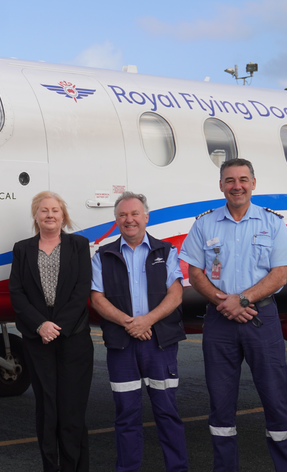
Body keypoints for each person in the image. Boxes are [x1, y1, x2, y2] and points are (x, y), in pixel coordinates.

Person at [180, 158, 287, 472]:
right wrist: (226, 302)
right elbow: (195, 273)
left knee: (276, 400)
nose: (237, 186)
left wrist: (243, 300)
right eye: (230, 180)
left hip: (262, 320)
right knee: (220, 405)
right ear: (221, 185)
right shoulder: (204, 223)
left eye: (243, 179)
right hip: (220, 321)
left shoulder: (272, 223)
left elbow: (279, 276)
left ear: (253, 183)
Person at [90, 191, 188, 472]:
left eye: (134, 214)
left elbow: (176, 293)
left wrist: (148, 321)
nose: (128, 220)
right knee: (126, 415)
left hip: (160, 343)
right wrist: (129, 323)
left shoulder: (166, 251)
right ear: (116, 219)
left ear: (146, 217)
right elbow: (98, 298)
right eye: (122, 215)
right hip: (122, 345)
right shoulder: (103, 255)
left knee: (167, 413)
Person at [8, 191, 93, 472]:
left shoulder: (79, 245)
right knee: (47, 409)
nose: (50, 215)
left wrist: (58, 327)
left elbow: (82, 291)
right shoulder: (22, 249)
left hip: (73, 337)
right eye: (43, 210)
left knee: (72, 410)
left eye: (55, 210)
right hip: (37, 338)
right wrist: (40, 325)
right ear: (35, 216)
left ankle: (75, 467)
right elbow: (17, 293)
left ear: (63, 215)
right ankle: (51, 468)